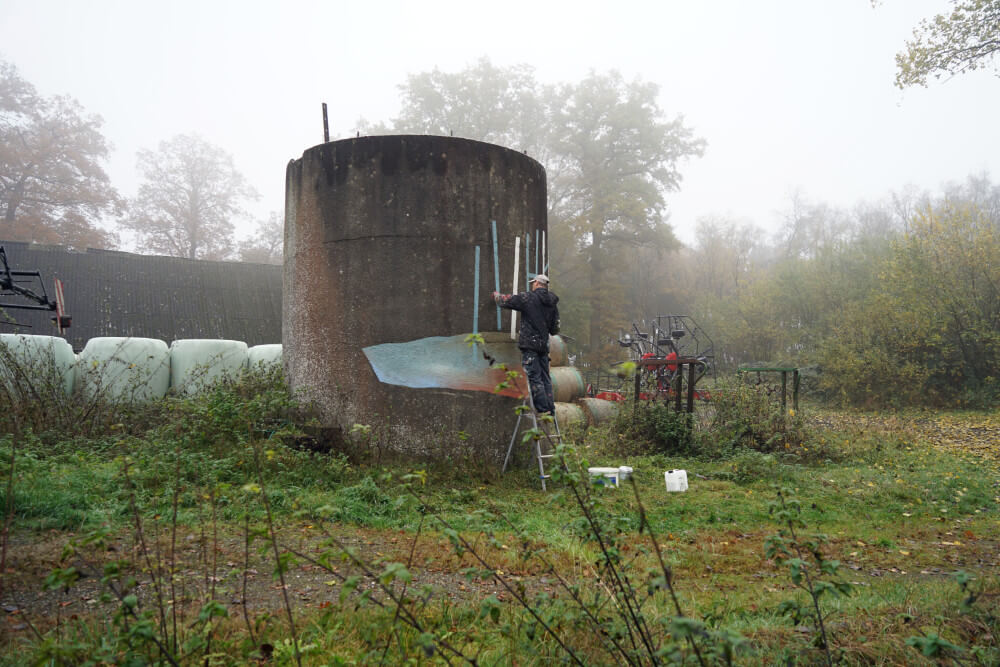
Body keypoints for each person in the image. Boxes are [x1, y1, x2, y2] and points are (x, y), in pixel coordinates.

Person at [493, 274, 560, 414]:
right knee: (545, 378)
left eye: (533, 283)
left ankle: (542, 409)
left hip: (530, 345)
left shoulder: (528, 298)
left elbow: (506, 301)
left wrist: (497, 296)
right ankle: (550, 408)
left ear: (536, 283)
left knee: (534, 377)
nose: (532, 285)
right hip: (543, 346)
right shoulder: (552, 303)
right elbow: (555, 329)